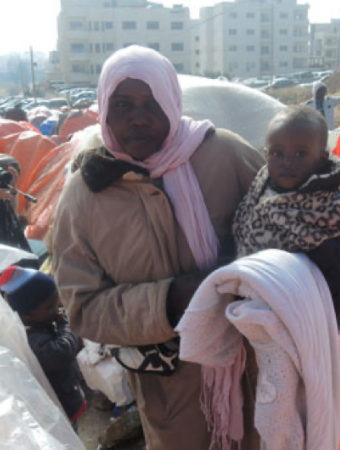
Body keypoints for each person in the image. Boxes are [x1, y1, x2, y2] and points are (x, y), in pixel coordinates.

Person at [51, 45, 265, 450]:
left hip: (251, 370)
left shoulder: (227, 155)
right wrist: (169, 300)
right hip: (169, 392)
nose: (138, 117)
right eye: (123, 104)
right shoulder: (84, 196)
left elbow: (288, 234)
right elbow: (82, 306)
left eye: (151, 103)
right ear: (104, 109)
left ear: (172, 101)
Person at [233, 106, 340, 325]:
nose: (287, 161)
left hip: (299, 322)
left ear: (321, 159)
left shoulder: (328, 214)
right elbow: (240, 232)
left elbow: (334, 284)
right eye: (277, 152)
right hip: (244, 310)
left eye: (300, 153)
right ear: (266, 153)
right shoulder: (260, 188)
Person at [0, 266, 87, 432]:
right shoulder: (32, 338)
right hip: (59, 408)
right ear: (26, 316)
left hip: (66, 397)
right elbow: (60, 354)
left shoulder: (42, 323)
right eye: (49, 307)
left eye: (56, 302)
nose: (57, 309)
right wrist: (64, 325)